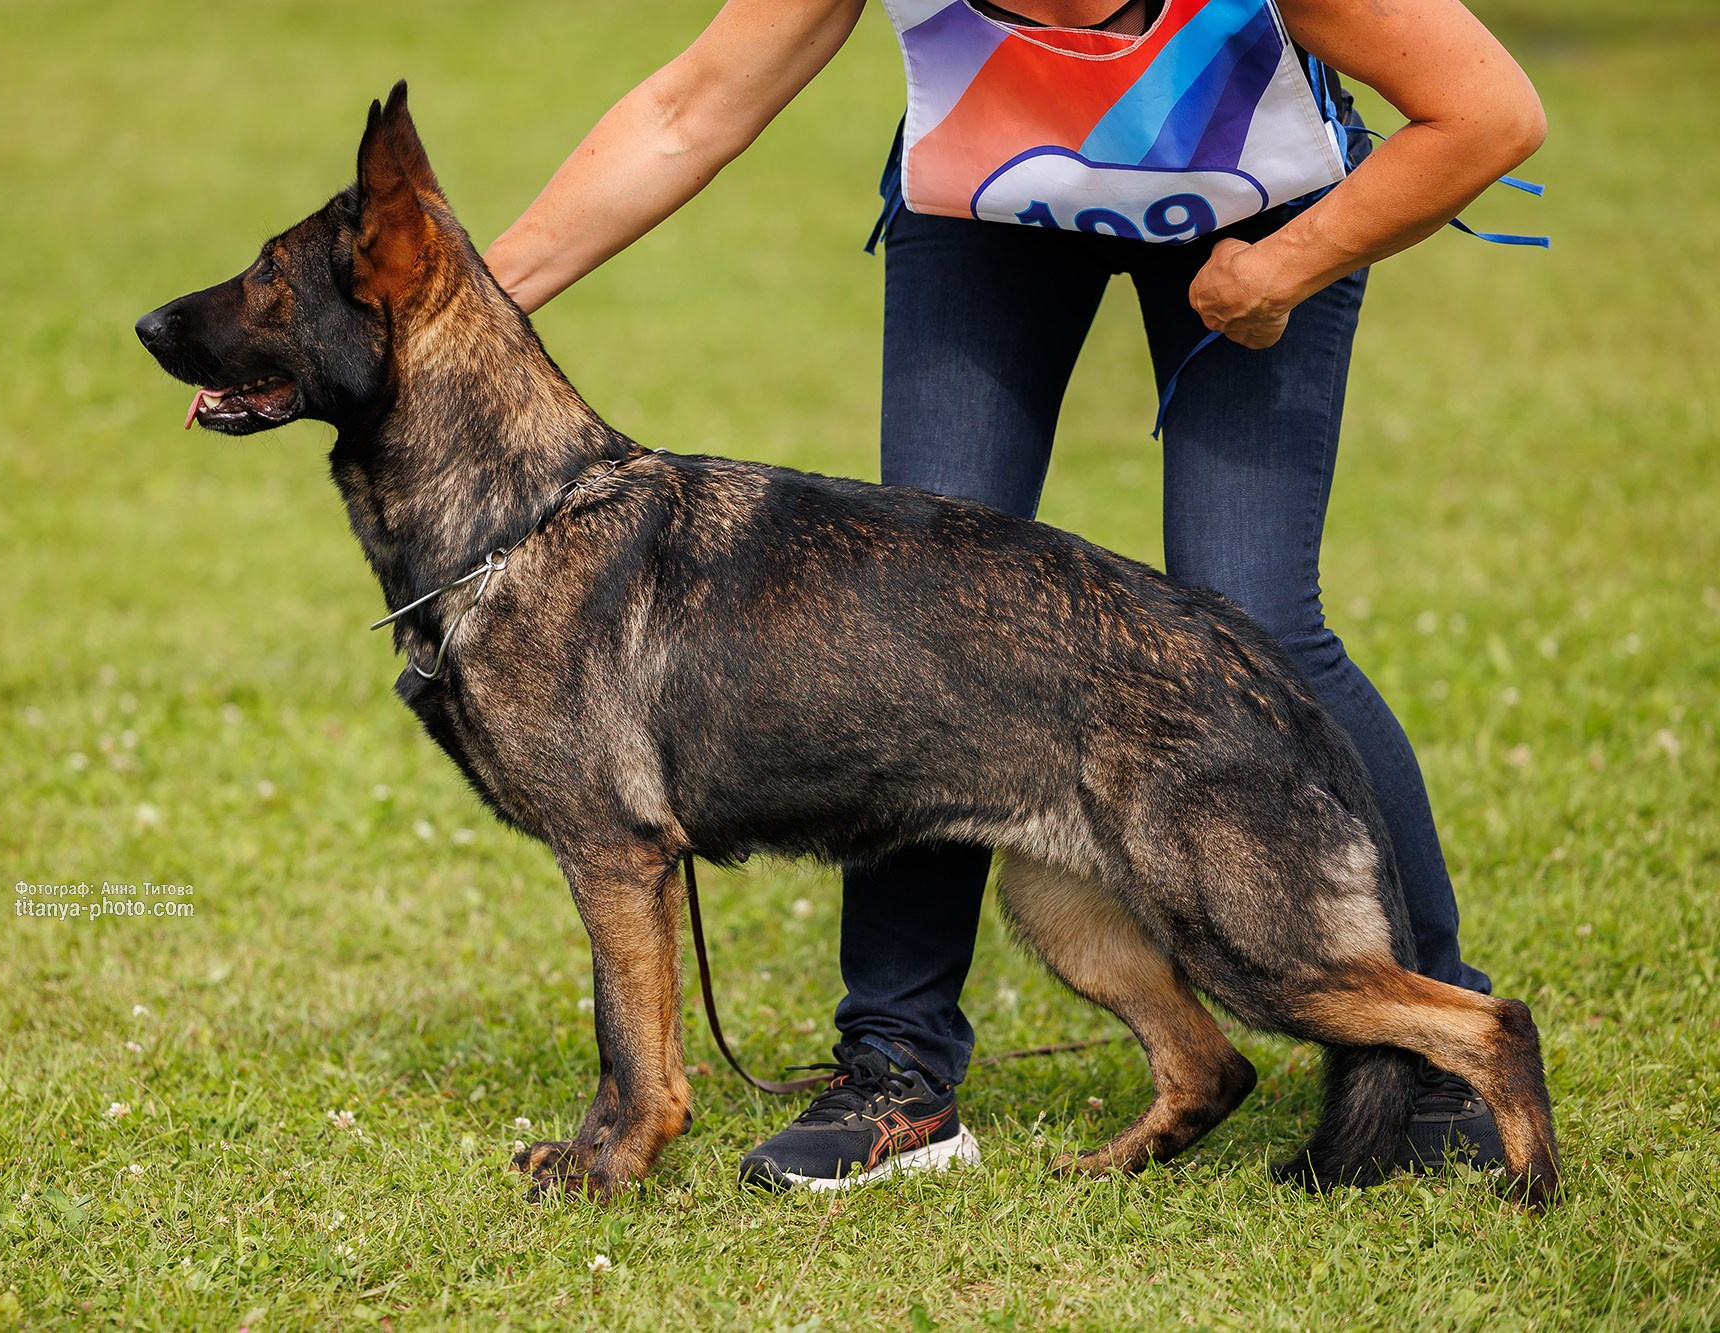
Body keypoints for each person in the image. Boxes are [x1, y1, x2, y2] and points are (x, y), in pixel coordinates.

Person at [485, 0, 1546, 1192]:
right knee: (896, 625)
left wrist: (1285, 265)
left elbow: (1490, 113)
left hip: (1258, 207)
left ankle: (1436, 1046)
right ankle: (897, 1072)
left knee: (1256, 607)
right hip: (995, 200)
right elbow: (688, 108)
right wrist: (458, 317)